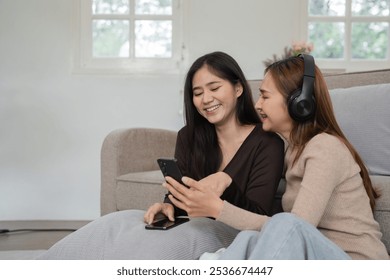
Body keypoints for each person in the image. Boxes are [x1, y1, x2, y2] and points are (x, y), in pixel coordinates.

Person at [37, 51, 284, 260]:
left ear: (238, 88)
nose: (206, 99)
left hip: (229, 230)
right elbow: (180, 194)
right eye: (197, 93)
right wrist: (167, 204)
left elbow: (259, 215)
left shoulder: (267, 142)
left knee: (150, 249)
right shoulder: (190, 135)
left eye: (215, 87)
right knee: (117, 222)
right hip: (190, 222)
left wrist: (224, 185)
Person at [167, 54, 388, 259]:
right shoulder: (293, 151)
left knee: (284, 224)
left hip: (355, 263)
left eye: (265, 96)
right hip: (313, 258)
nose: (257, 104)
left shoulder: (324, 148)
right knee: (249, 237)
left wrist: (218, 208)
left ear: (299, 103)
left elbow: (294, 229)